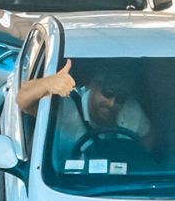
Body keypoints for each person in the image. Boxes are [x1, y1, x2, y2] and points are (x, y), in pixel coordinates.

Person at [17, 60, 154, 157]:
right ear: (92, 85)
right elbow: (23, 101)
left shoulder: (130, 108)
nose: (112, 103)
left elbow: (150, 136)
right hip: (65, 183)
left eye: (120, 98)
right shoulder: (66, 107)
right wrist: (47, 83)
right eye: (108, 93)